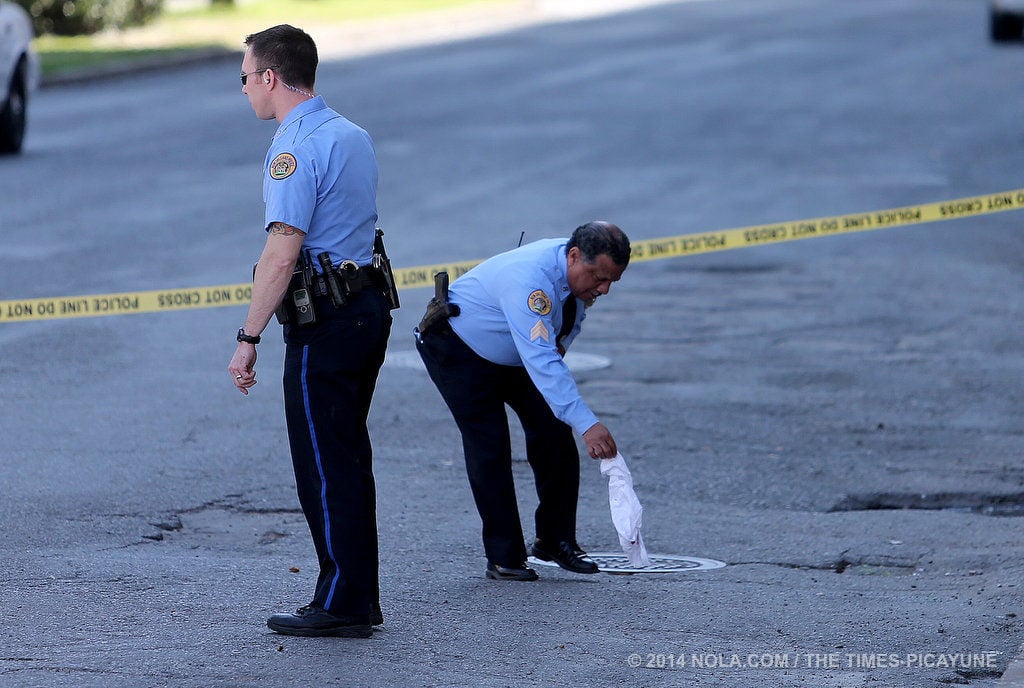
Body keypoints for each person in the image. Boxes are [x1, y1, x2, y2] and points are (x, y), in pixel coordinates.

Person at [227, 24, 394, 637]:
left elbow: (282, 249)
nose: (244, 90)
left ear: (271, 77)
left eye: (245, 78)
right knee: (347, 455)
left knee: (324, 463)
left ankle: (344, 603)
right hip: (366, 308)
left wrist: (249, 338)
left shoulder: (291, 147)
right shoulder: (353, 133)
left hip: (324, 322)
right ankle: (356, 593)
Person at [415, 221, 630, 581]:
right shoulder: (530, 280)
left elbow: (564, 327)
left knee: (553, 435)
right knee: (490, 445)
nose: (604, 289)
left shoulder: (577, 267)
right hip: (458, 348)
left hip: (515, 351)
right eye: (599, 277)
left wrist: (571, 412)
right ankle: (504, 556)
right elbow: (543, 358)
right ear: (574, 256)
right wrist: (588, 424)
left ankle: (554, 540)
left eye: (612, 281)